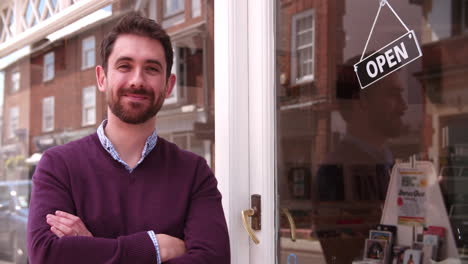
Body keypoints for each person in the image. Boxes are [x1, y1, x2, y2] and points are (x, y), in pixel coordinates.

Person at [27, 12, 230, 264]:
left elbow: (213, 260)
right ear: (102, 78)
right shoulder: (59, 166)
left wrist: (92, 250)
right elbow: (47, 255)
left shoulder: (194, 172)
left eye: (152, 69)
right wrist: (155, 247)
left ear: (168, 86)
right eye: (124, 66)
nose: (137, 80)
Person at [315, 57, 408, 264]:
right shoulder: (335, 171)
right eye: (393, 94)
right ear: (363, 102)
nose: (404, 105)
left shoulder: (387, 164)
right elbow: (340, 253)